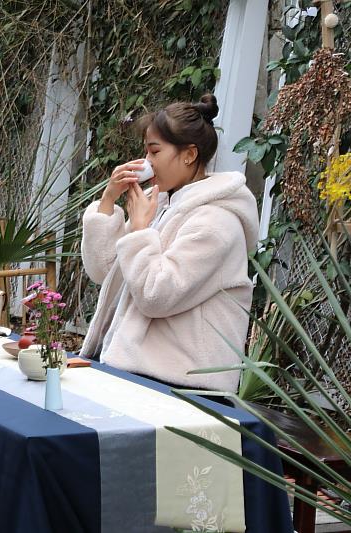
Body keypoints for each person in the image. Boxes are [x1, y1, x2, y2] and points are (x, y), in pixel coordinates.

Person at [79, 94, 258, 393]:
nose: (146, 163)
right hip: (139, 373)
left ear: (189, 154)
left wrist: (138, 232)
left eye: (154, 152)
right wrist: (108, 203)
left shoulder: (217, 222)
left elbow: (156, 294)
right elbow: (105, 272)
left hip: (184, 386)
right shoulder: (162, 205)